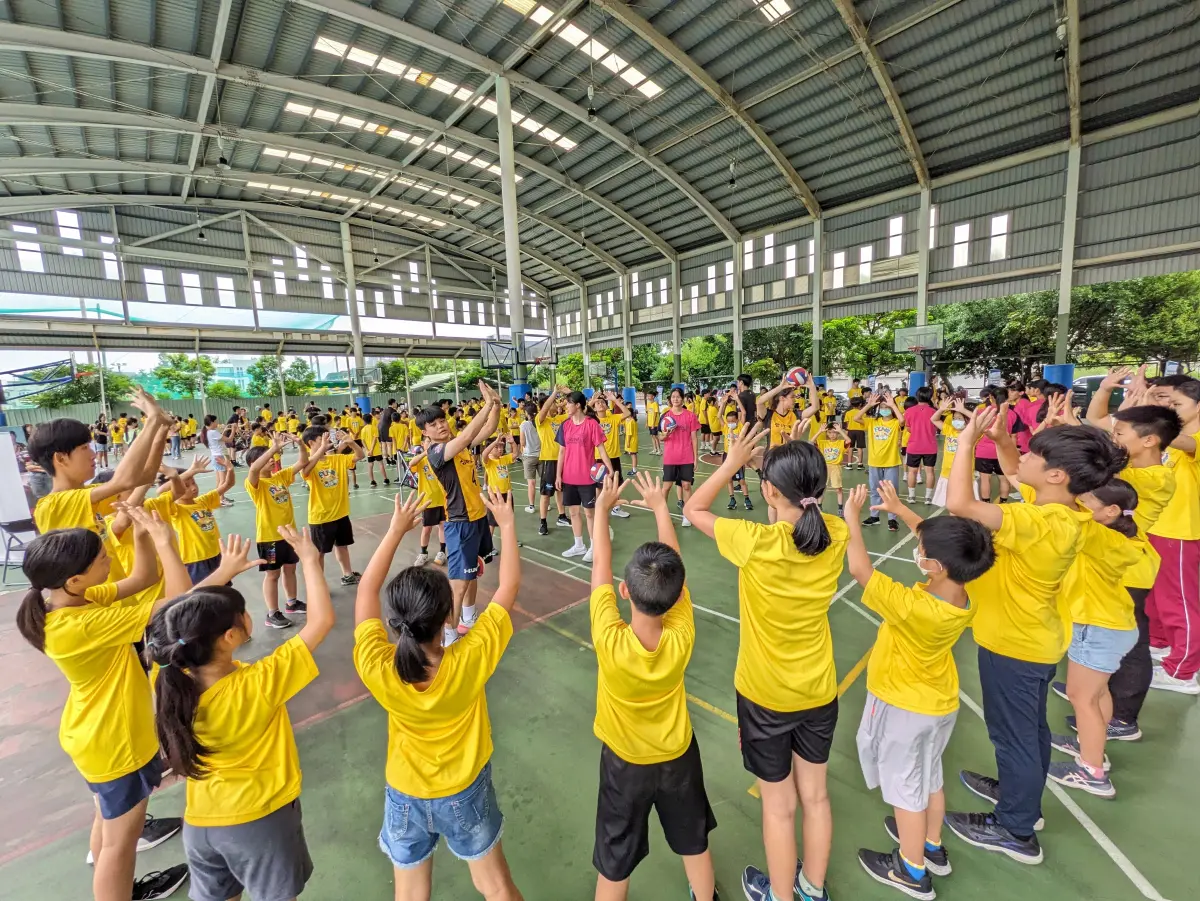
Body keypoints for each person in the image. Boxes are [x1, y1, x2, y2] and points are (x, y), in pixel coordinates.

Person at [943, 406, 1126, 864]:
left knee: (1014, 736)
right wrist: (1004, 440)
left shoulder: (1039, 523)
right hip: (1033, 640)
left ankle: (1015, 828)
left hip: (1013, 645)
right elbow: (1014, 470)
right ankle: (1018, 795)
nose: (1022, 458)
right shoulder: (1065, 511)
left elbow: (960, 505)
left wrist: (966, 443)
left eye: (1033, 455)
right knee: (1030, 729)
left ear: (1058, 475)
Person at [684, 427, 847, 901]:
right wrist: (788, 460)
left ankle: (780, 895)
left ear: (771, 491)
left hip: (765, 694)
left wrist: (732, 461)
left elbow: (693, 509)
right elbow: (801, 511)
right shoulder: (835, 533)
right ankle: (812, 889)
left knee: (780, 807)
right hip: (818, 689)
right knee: (814, 796)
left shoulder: (755, 541)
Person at [16, 506, 198, 901]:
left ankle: (120, 891)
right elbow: (181, 603)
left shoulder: (71, 601)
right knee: (120, 845)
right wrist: (167, 542)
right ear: (75, 578)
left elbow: (142, 578)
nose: (110, 558)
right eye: (102, 559)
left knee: (107, 822)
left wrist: (143, 537)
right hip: (115, 742)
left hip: (93, 735)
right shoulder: (81, 624)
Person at [353, 490, 525, 901]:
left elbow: (365, 593)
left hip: (405, 794)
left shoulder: (379, 667)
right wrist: (508, 525)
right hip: (464, 790)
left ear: (394, 623)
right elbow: (509, 586)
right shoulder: (470, 659)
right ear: (450, 616)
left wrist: (396, 531)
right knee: (496, 887)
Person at [145, 525, 331, 901]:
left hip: (202, 823)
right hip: (259, 821)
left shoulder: (167, 674)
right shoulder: (257, 686)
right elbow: (321, 622)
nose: (248, 615)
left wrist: (221, 573)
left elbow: (173, 625)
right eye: (243, 613)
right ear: (230, 637)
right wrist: (310, 560)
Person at [843, 481, 995, 900]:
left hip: (903, 707)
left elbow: (861, 571)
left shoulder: (914, 607)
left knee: (906, 791)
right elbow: (941, 545)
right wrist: (901, 510)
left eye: (924, 553)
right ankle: (931, 845)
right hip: (937, 703)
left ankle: (911, 870)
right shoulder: (966, 592)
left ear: (937, 566)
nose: (920, 552)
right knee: (929, 777)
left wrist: (852, 520)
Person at [589, 471, 720, 901]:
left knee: (614, 859)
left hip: (625, 764)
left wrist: (601, 512)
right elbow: (674, 570)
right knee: (694, 842)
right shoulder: (682, 636)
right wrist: (662, 507)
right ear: (677, 593)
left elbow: (600, 568)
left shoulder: (610, 639)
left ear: (624, 592)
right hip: (677, 757)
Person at [1080, 381, 1182, 732]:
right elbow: (1097, 420)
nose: (1114, 436)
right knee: (1105, 636)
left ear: (1149, 440)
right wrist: (1107, 390)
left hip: (1129, 566)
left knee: (1131, 641)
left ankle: (1123, 715)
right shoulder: (1136, 465)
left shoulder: (1153, 478)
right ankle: (1096, 692)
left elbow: (1104, 456)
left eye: (1121, 432)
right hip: (1112, 561)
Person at [1047, 478, 1145, 798]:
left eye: (1086, 501)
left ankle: (1091, 772)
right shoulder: (1126, 531)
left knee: (1082, 697)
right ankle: (1092, 748)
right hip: (1113, 624)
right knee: (1098, 692)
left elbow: (1063, 510)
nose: (1080, 504)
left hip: (1097, 626)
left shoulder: (1098, 535)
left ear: (1111, 510)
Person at [29, 389, 169, 583]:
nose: (93, 455)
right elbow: (124, 480)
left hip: (115, 597)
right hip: (97, 606)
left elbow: (145, 476)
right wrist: (152, 420)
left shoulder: (85, 495)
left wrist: (160, 430)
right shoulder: (52, 505)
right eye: (84, 448)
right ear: (61, 458)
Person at [418, 381, 501, 646]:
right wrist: (486, 404)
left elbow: (489, 428)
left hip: (477, 518)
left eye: (442, 420)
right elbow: (466, 436)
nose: (441, 425)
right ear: (425, 431)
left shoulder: (458, 446)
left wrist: (496, 405)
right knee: (459, 581)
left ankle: (468, 617)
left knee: (473, 572)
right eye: (433, 424)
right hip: (460, 522)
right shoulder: (438, 452)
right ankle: (449, 633)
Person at [245, 434, 311, 628]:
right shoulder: (255, 484)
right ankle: (272, 613)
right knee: (273, 575)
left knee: (290, 569)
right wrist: (272, 448)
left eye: (272, 457)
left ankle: (292, 602)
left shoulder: (280, 477)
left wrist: (300, 444)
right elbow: (255, 469)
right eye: (268, 458)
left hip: (289, 535)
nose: (273, 460)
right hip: (269, 538)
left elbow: (302, 462)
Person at [299, 426, 365, 585]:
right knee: (319, 553)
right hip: (321, 517)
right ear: (311, 443)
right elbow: (305, 472)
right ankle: (318, 584)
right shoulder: (309, 464)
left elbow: (360, 456)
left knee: (342, 546)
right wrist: (321, 450)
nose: (329, 441)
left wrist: (352, 443)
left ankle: (348, 575)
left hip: (341, 514)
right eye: (323, 439)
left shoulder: (337, 459)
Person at [558, 391, 616, 561]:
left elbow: (601, 449)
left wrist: (610, 469)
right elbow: (562, 451)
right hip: (569, 476)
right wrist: (558, 475)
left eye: (568, 403)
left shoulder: (591, 424)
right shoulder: (565, 425)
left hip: (587, 477)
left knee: (589, 513)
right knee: (574, 512)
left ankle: (593, 546)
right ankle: (578, 545)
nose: (565, 406)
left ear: (577, 405)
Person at [164, 460, 236, 585]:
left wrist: (230, 469)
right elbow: (162, 492)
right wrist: (188, 473)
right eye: (186, 486)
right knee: (205, 595)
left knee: (224, 589)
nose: (193, 488)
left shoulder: (203, 501)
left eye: (194, 483)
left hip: (216, 555)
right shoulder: (175, 509)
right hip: (195, 560)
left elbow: (228, 484)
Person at [860, 390, 905, 531]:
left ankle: (892, 519)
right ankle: (875, 516)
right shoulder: (872, 422)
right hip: (874, 461)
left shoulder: (895, 422)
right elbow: (856, 418)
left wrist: (893, 404)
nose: (885, 410)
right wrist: (868, 405)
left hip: (891, 461)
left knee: (891, 491)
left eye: (887, 408)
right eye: (883, 408)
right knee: (875, 490)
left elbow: (902, 421)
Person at [657, 387, 702, 527]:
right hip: (670, 457)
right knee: (667, 487)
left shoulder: (690, 416)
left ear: (682, 399)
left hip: (686, 456)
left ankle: (686, 515)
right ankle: (662, 515)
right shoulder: (665, 417)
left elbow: (694, 438)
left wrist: (695, 458)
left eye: (678, 396)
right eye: (673, 397)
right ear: (670, 399)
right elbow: (660, 437)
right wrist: (667, 434)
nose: (675, 399)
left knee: (686, 485)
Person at [535, 389, 571, 536]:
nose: (557, 404)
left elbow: (577, 408)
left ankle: (562, 516)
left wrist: (570, 393)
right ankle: (543, 522)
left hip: (563, 459)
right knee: (546, 493)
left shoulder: (560, 419)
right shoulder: (541, 420)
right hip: (549, 461)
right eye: (554, 403)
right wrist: (555, 392)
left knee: (560, 489)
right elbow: (544, 410)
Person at [591, 392, 631, 519]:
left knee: (616, 484)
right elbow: (583, 410)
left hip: (613, 456)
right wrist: (592, 400)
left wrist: (615, 400)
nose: (600, 404)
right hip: (599, 457)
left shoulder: (613, 418)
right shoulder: (592, 420)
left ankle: (616, 508)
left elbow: (628, 413)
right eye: (598, 403)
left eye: (603, 402)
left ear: (607, 406)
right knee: (599, 485)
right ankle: (599, 507)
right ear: (594, 407)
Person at [409, 447, 448, 567]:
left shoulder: (441, 459)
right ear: (423, 444)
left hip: (442, 499)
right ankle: (423, 553)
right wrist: (425, 453)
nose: (431, 444)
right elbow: (411, 463)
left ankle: (442, 552)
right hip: (427, 501)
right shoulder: (421, 461)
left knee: (442, 527)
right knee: (427, 529)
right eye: (428, 441)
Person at [930, 398, 970, 507]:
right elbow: (934, 419)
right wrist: (941, 409)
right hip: (947, 473)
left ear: (967, 420)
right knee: (949, 502)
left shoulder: (971, 433)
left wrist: (964, 410)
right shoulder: (949, 430)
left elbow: (979, 420)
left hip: (964, 474)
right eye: (954, 418)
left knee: (964, 503)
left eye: (960, 418)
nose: (956, 421)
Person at [904, 387, 938, 504]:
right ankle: (928, 498)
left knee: (912, 472)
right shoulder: (934, 411)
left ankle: (912, 496)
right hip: (930, 446)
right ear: (930, 397)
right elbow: (937, 427)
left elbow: (908, 428)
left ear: (917, 396)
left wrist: (916, 430)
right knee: (930, 472)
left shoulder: (909, 411)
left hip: (914, 445)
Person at [722, 397, 753, 512]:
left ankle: (747, 499)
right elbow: (720, 416)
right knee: (729, 480)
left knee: (742, 481)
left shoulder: (740, 427)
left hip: (737, 457)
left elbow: (744, 412)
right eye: (728, 421)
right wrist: (723, 403)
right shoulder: (725, 427)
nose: (730, 423)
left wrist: (737, 399)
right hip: (727, 456)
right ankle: (732, 499)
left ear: (737, 420)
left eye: (733, 421)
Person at [815, 418, 849, 513]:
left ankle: (840, 508)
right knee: (822, 488)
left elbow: (848, 440)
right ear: (827, 433)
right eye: (830, 432)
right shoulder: (823, 443)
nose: (832, 434)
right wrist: (819, 431)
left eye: (834, 432)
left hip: (836, 468)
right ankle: (819, 506)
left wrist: (840, 431)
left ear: (837, 434)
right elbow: (811, 441)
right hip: (824, 468)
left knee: (838, 489)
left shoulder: (841, 443)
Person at [519, 402, 542, 513]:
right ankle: (545, 504)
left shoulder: (524, 425)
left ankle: (531, 506)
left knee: (531, 483)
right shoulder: (540, 423)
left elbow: (522, 442)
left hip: (529, 456)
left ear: (526, 413)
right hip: (541, 455)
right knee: (543, 480)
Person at [360, 412, 389, 488]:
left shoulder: (363, 430)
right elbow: (375, 439)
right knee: (380, 464)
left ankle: (372, 481)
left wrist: (367, 450)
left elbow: (362, 441)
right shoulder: (374, 428)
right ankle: (385, 479)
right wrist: (372, 450)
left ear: (364, 421)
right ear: (371, 419)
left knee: (370, 465)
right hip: (376, 450)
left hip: (369, 451)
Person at [843, 396, 866, 470]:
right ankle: (860, 464)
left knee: (850, 448)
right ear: (860, 404)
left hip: (851, 431)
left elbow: (847, 424)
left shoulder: (848, 413)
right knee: (860, 448)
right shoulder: (862, 412)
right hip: (860, 431)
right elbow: (865, 422)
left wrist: (846, 434)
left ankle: (849, 464)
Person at [623, 407, 640, 476]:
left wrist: (628, 443)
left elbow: (629, 434)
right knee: (633, 455)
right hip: (633, 440)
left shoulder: (631, 422)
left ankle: (634, 471)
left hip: (631, 441)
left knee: (633, 456)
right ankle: (634, 470)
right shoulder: (631, 420)